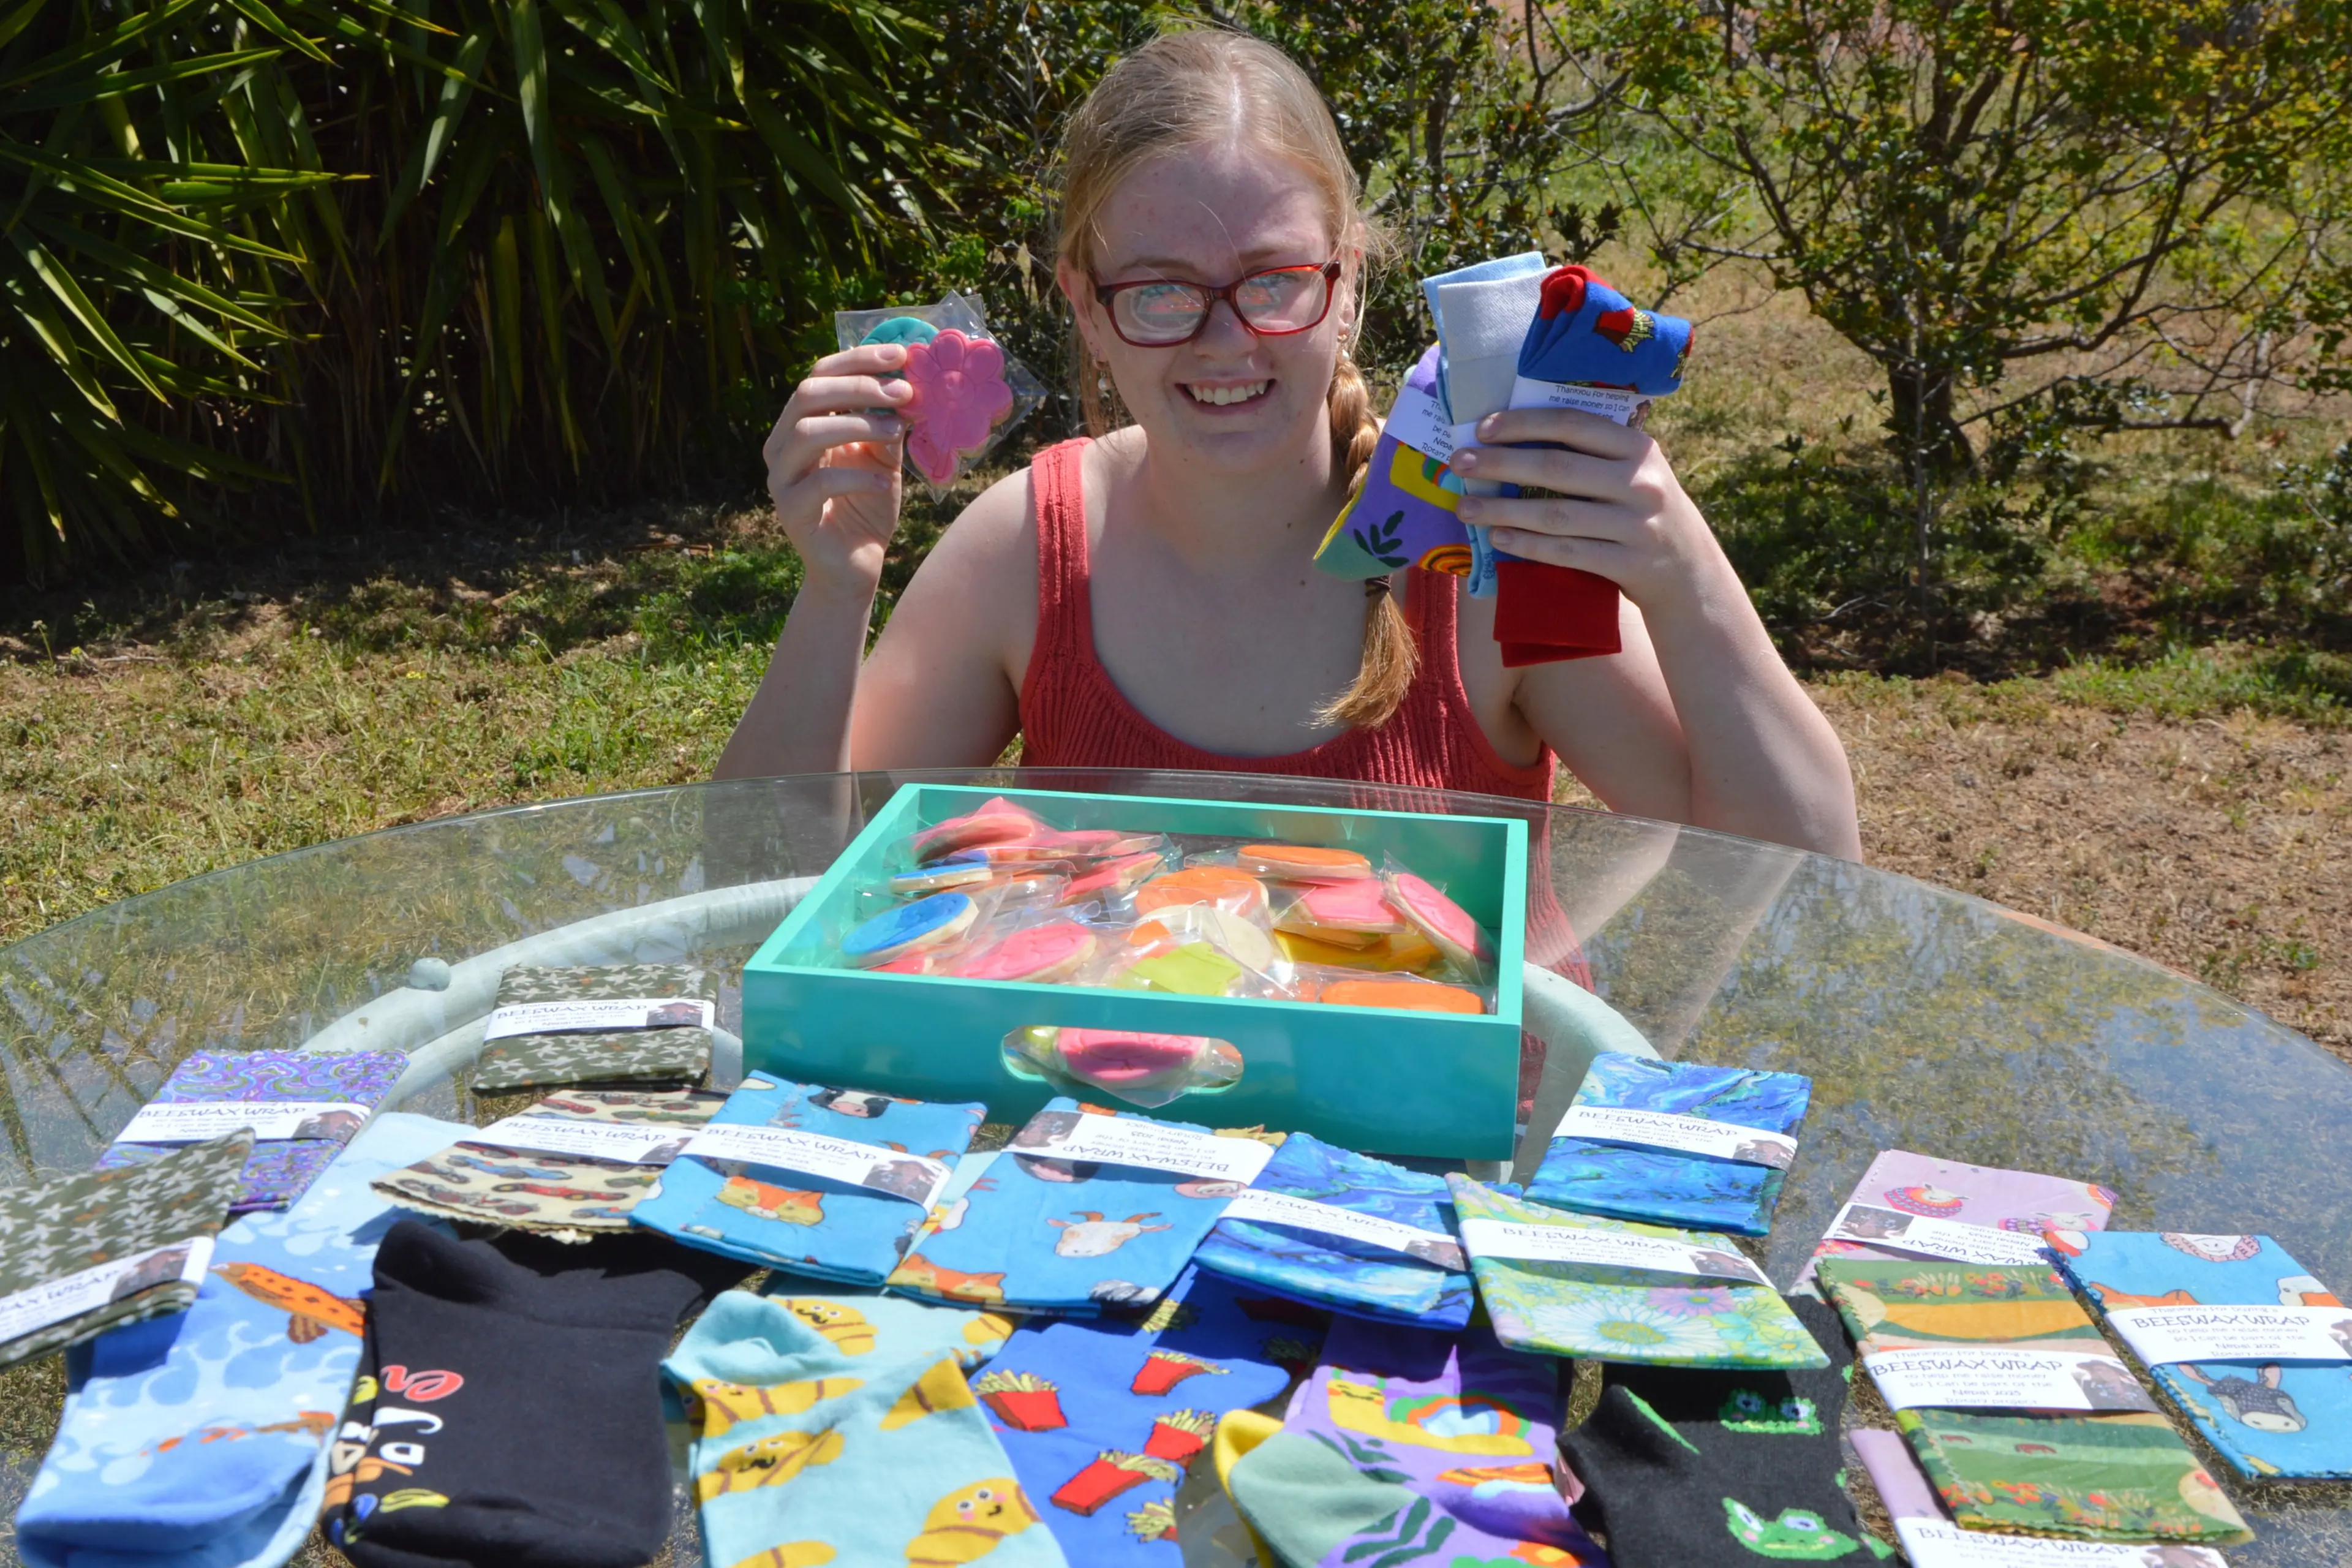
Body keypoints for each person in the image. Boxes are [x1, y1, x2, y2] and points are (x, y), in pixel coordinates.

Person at [717, 29, 1861, 862]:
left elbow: (1797, 877)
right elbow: (777, 879)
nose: (1225, 343)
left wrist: (1684, 571)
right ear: (1084, 304)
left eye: (1274, 282)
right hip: (1103, 1174)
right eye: (1161, 292)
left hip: (1431, 1171)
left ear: (1350, 281)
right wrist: (833, 589)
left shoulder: (1477, 553)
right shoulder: (1029, 548)